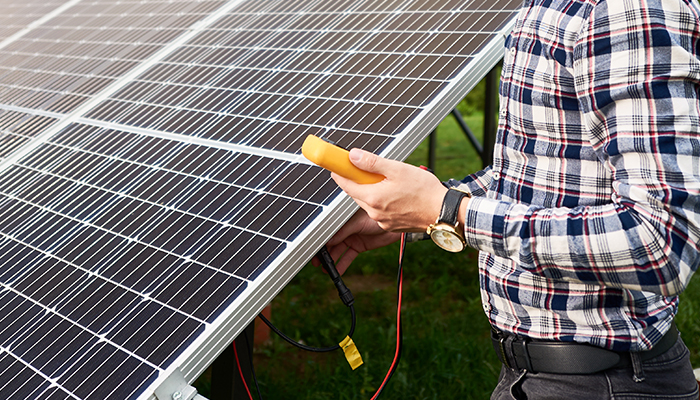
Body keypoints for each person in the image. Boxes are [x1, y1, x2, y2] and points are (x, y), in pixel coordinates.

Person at [320, 0, 700, 398]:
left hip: (605, 381)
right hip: (537, 374)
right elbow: (534, 176)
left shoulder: (622, 11)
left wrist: (450, 211)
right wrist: (419, 215)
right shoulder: (546, 7)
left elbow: (661, 243)